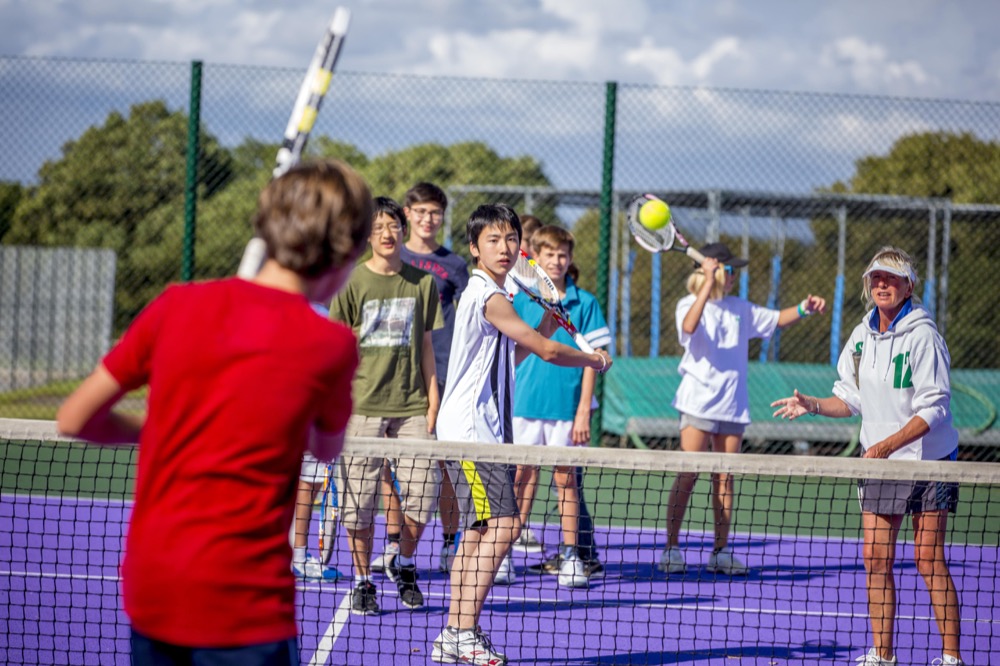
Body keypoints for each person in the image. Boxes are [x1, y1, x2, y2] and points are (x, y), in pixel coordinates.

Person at [55, 159, 372, 666]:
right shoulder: (331, 345)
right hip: (246, 602)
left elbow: (74, 418)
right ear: (348, 251)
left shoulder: (176, 304)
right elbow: (326, 446)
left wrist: (161, 427)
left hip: (153, 586)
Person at [431, 203, 611, 665]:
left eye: (511, 239)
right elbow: (549, 352)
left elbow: (509, 361)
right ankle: (463, 631)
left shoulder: (496, 296)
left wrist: (547, 323)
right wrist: (591, 359)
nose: (505, 247)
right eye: (493, 240)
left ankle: (455, 632)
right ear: (474, 248)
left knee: (477, 532)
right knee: (507, 525)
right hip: (473, 433)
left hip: (476, 431)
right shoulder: (486, 296)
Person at [771, 246, 965, 666]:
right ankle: (883, 654)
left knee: (927, 557)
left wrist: (887, 445)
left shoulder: (923, 335)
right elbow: (850, 397)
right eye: (876, 278)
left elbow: (935, 408)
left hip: (929, 460)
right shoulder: (861, 335)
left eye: (892, 279)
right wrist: (814, 405)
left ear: (908, 285)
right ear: (868, 284)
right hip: (879, 461)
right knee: (876, 558)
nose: (882, 284)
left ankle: (951, 658)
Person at [660, 242, 827, 577]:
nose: (735, 276)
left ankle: (720, 552)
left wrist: (805, 309)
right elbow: (689, 328)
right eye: (731, 270)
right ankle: (672, 549)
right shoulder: (688, 304)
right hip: (697, 402)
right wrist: (707, 285)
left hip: (733, 406)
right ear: (714, 271)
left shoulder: (741, 308)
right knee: (688, 474)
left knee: (725, 477)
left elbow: (778, 320)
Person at [330, 196, 443, 615]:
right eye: (376, 227)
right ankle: (363, 581)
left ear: (402, 229)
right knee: (357, 506)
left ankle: (405, 564)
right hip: (361, 408)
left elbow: (427, 347)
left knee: (424, 496)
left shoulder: (423, 283)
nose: (386, 232)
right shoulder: (351, 283)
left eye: (392, 225)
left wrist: (433, 404)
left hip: (412, 407)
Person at [507, 224, 611, 589]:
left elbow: (593, 360)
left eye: (562, 254)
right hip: (523, 402)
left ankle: (571, 556)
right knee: (520, 477)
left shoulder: (586, 303)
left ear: (570, 259)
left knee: (566, 482)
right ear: (536, 257)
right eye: (549, 254)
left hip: (566, 408)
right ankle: (505, 550)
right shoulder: (519, 297)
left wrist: (584, 409)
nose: (556, 260)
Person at [395, 181, 470, 575]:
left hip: (440, 375)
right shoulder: (390, 255)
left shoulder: (454, 265)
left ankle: (447, 542)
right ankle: (394, 543)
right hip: (393, 377)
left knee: (443, 468)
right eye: (420, 211)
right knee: (390, 467)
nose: (427, 219)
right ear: (407, 213)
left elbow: (475, 312)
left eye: (435, 213)